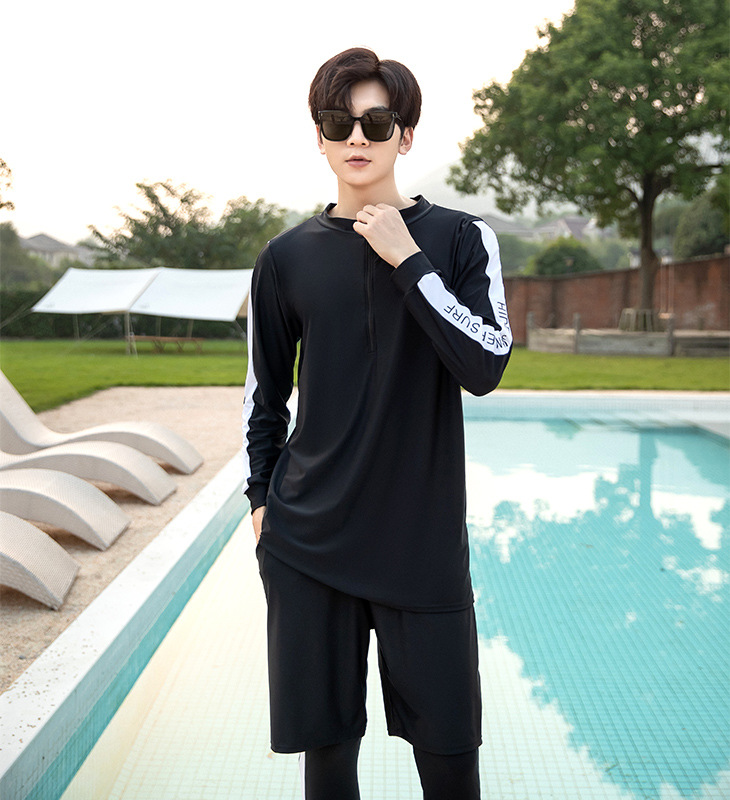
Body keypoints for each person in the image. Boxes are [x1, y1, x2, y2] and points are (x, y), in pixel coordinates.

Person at [242, 47, 512, 800]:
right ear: (320, 137)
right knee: (327, 761)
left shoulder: (461, 239)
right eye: (339, 123)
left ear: (406, 134)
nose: (357, 137)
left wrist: (408, 261)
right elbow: (264, 395)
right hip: (308, 542)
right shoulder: (285, 258)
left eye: (377, 121)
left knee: (450, 760)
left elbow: (485, 364)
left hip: (420, 544)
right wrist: (260, 503)